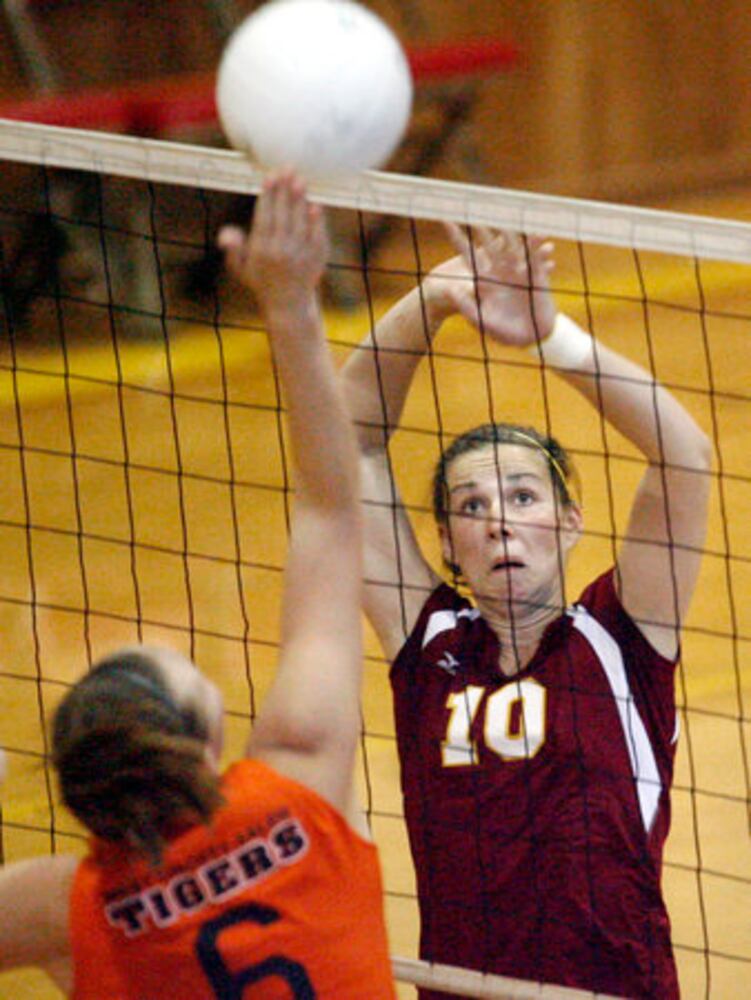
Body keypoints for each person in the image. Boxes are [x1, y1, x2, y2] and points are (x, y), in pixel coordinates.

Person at [0, 171, 397, 1000]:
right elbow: (331, 511)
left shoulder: (67, 904)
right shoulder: (301, 782)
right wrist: (289, 307)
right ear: (206, 741)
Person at [340, 226, 712, 999]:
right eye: (471, 506)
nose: (499, 523)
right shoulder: (427, 643)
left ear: (568, 521)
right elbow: (347, 440)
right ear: (447, 542)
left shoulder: (622, 633)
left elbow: (684, 457)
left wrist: (551, 338)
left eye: (521, 496)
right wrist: (434, 298)